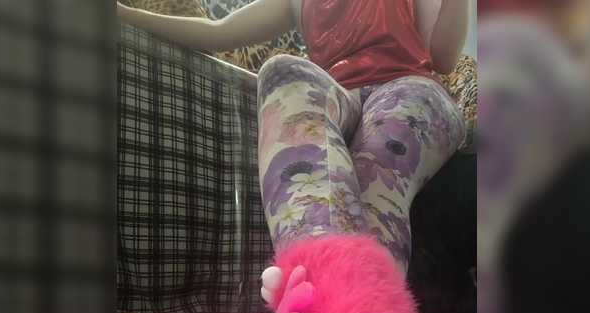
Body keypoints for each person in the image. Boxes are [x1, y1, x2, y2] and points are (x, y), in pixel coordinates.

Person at [117, 0, 469, 273]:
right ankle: (319, 304)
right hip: (339, 98)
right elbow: (218, 31)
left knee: (372, 174)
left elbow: (444, 58)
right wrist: (122, 14)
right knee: (280, 69)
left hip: (407, 89)